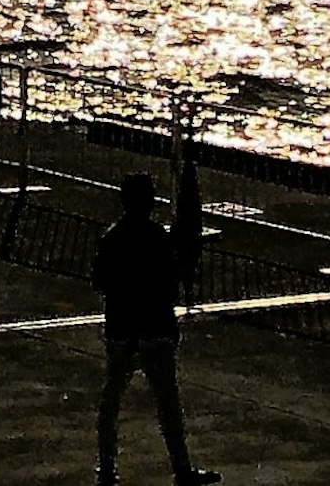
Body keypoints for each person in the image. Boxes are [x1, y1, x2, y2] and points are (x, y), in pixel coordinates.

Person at [91, 169, 216, 486]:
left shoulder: (112, 238)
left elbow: (100, 282)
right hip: (154, 331)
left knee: (112, 401)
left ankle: (106, 466)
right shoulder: (158, 238)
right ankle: (181, 467)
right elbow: (170, 283)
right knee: (168, 405)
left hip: (121, 330)